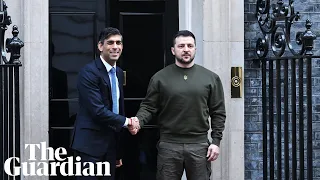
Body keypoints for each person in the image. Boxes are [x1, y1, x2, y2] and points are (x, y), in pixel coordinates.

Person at [129, 30, 226, 180]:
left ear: (195, 49)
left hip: (199, 145)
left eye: (190, 45)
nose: (186, 49)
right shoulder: (160, 78)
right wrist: (138, 121)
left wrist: (216, 141)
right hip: (169, 145)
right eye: (181, 46)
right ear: (173, 50)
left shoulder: (211, 78)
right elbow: (149, 106)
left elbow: (218, 111)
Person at [70, 27, 138, 180]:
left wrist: (118, 152)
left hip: (110, 148)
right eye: (110, 43)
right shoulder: (88, 72)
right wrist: (128, 122)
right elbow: (98, 110)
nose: (115, 47)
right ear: (100, 46)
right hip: (89, 146)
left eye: (119, 43)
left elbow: (118, 108)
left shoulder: (119, 73)